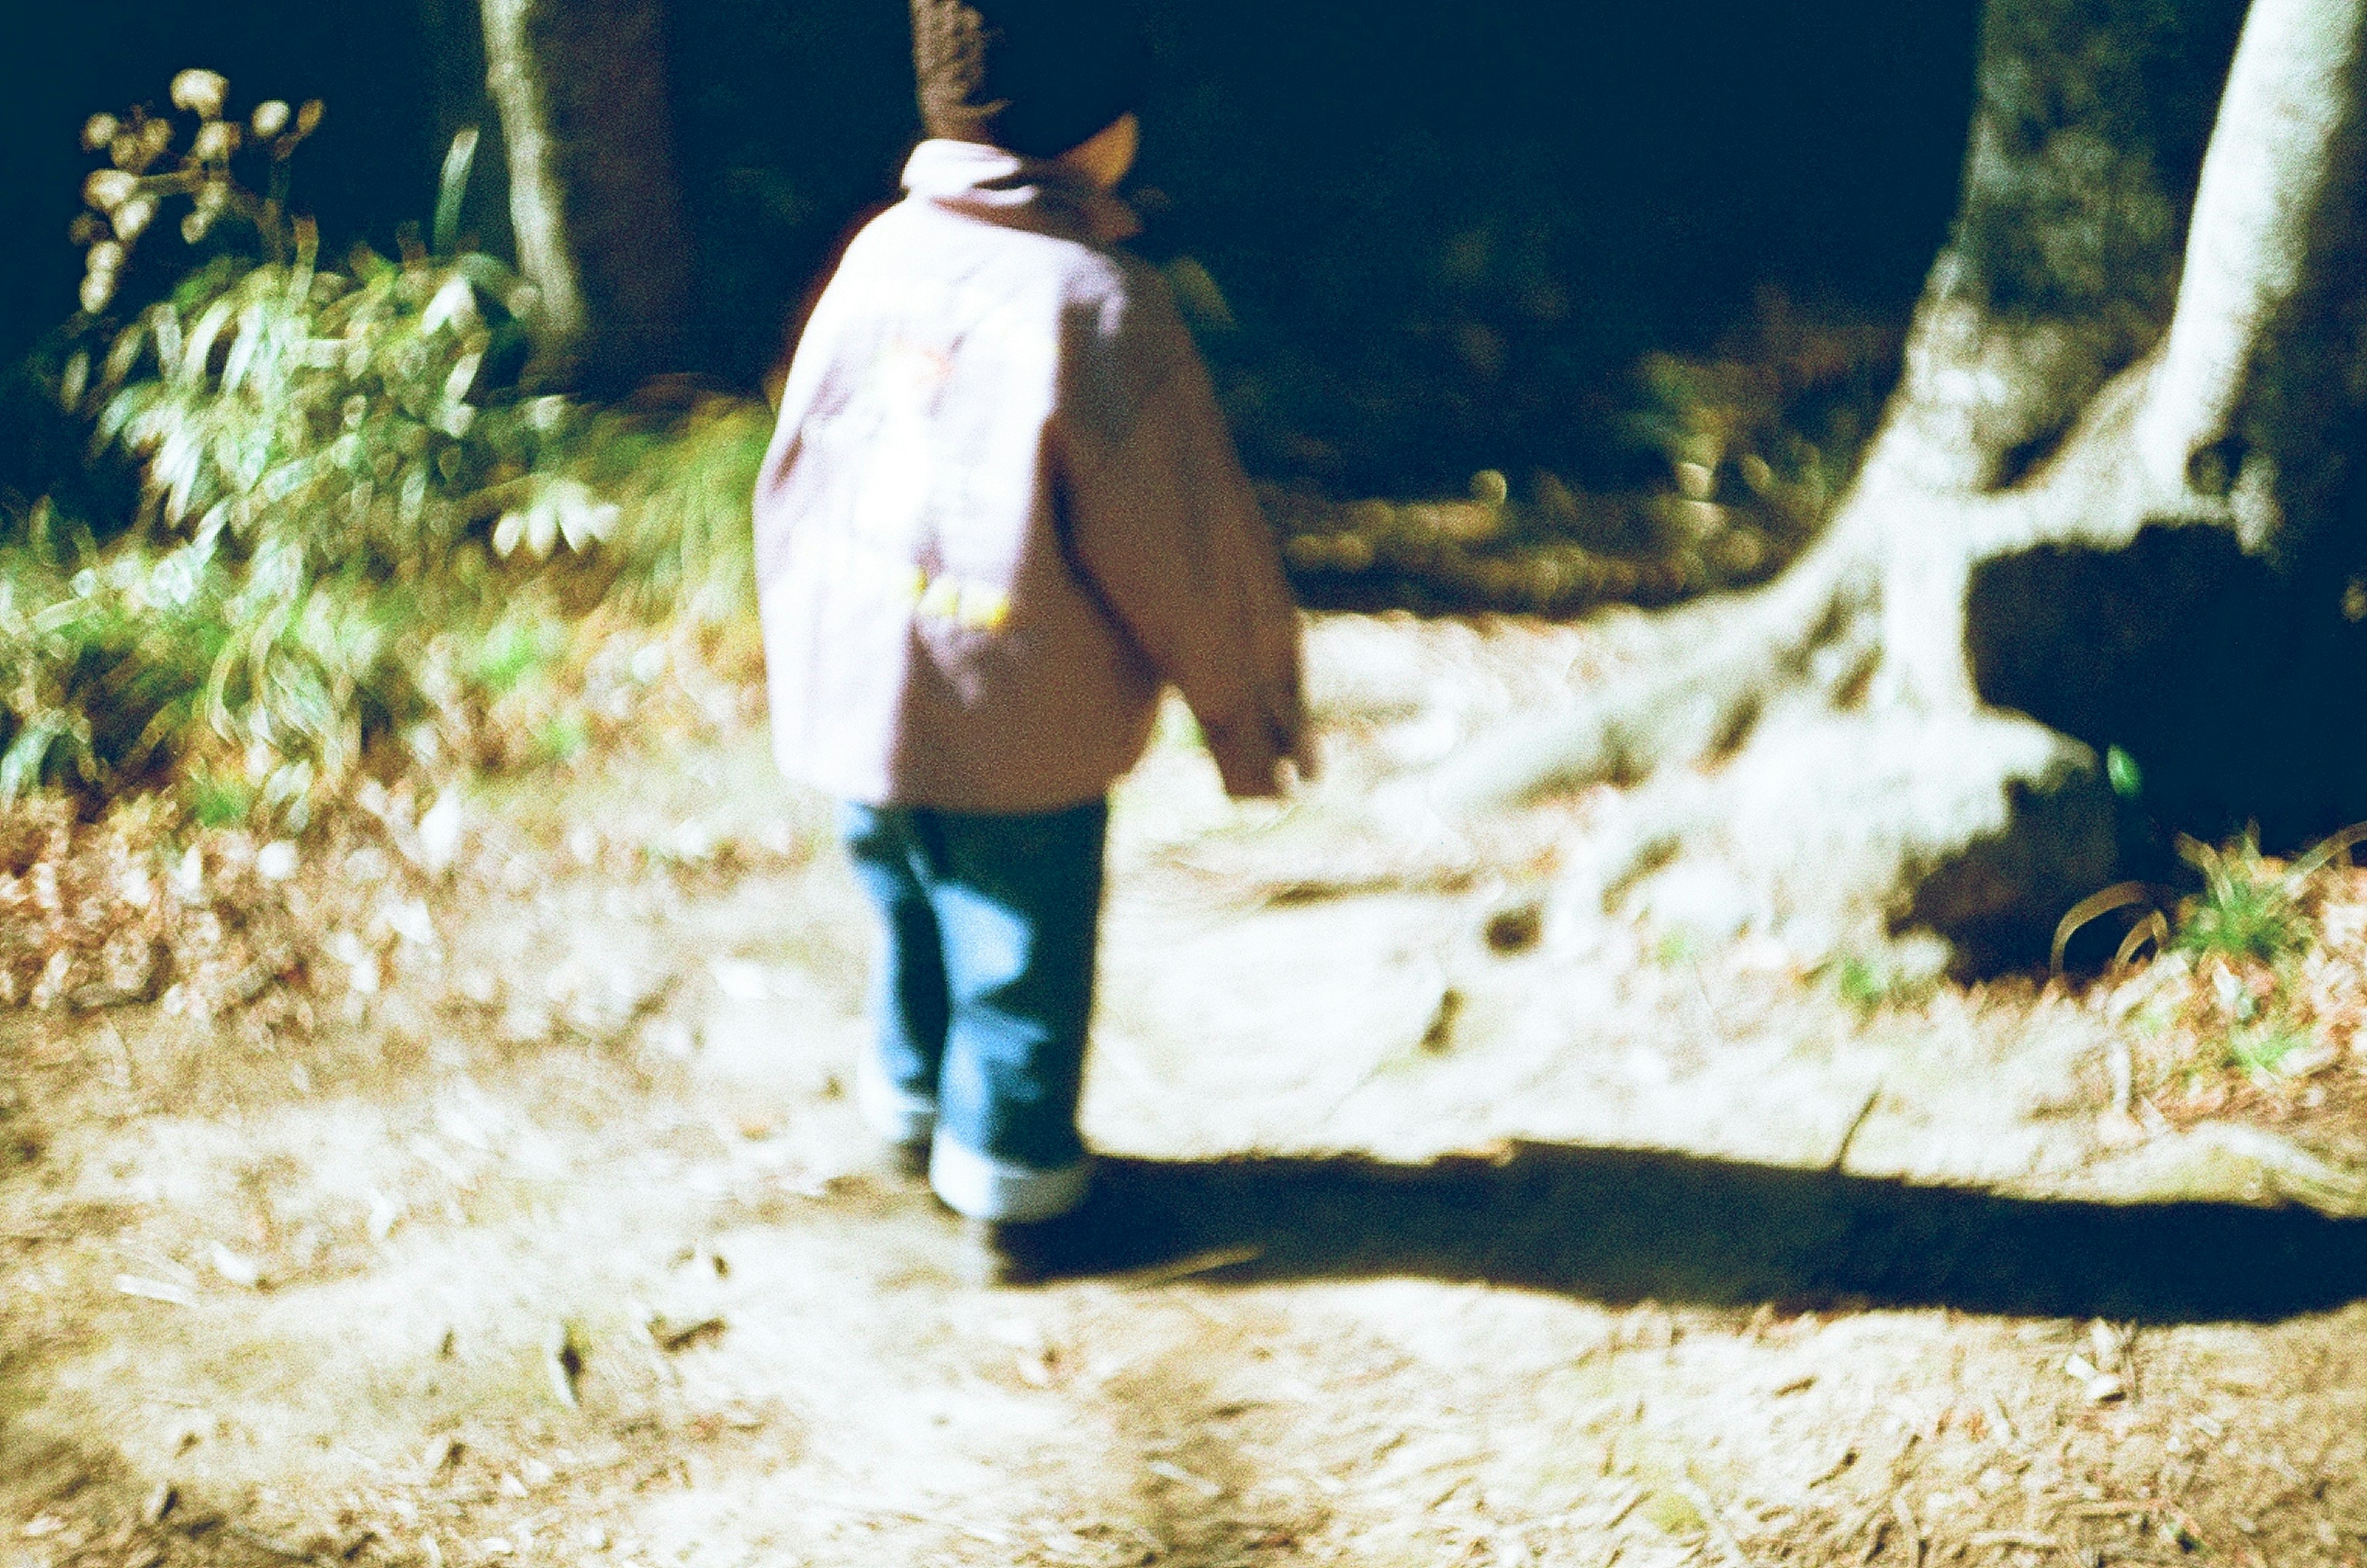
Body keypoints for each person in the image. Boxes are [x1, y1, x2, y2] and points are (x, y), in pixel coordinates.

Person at [751, 0, 1307, 1281]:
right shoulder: (1097, 302)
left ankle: (908, 1112)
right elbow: (1184, 544)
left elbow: (799, 468)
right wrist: (1249, 712)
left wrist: (807, 654)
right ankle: (1016, 1189)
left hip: (863, 694)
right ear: (1101, 130)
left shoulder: (880, 255)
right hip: (1017, 714)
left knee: (908, 906)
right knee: (1014, 945)